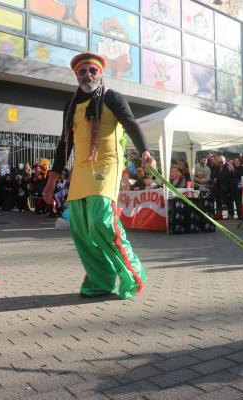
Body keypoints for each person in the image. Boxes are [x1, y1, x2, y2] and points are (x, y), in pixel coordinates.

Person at [44, 52, 154, 300]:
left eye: (92, 70)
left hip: (107, 164)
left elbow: (130, 124)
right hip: (81, 170)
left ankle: (132, 273)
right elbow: (64, 146)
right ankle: (99, 281)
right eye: (82, 71)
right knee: (81, 229)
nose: (88, 75)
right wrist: (51, 181)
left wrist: (145, 151)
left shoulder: (111, 97)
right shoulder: (71, 105)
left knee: (101, 221)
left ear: (100, 73)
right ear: (76, 75)